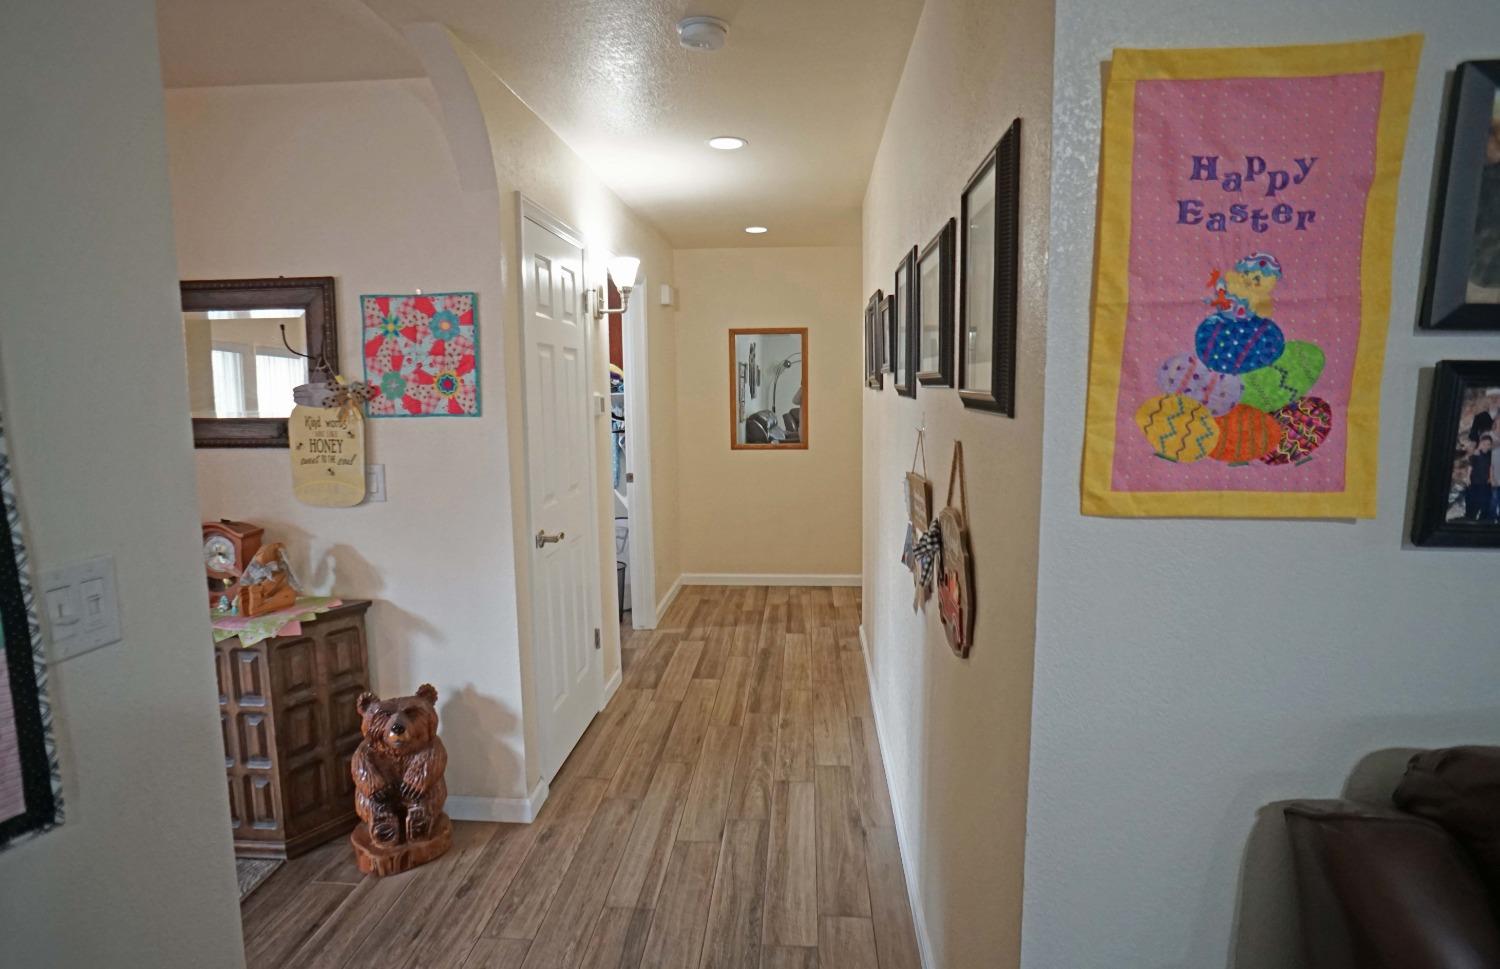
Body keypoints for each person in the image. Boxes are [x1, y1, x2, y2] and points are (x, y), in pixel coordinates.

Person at [1468, 434, 1495, 521]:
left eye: (1488, 444)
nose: (1486, 446)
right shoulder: (1476, 454)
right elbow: (1470, 467)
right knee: (1474, 503)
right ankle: (1471, 518)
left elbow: (1491, 467)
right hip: (1475, 483)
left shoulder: (1490, 455)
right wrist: (1468, 478)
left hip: (1485, 483)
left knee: (1485, 503)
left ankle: (1481, 521)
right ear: (1481, 443)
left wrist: (1490, 478)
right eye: (1484, 444)